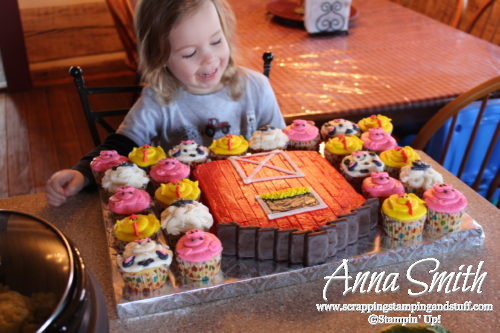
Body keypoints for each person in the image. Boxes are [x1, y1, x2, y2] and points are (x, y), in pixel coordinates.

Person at [45, 0, 285, 206]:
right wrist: (82, 172)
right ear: (159, 58)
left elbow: (282, 149)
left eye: (216, 41)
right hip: (187, 209)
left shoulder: (256, 87)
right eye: (190, 53)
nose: (209, 58)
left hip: (249, 197)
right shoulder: (158, 100)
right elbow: (120, 145)